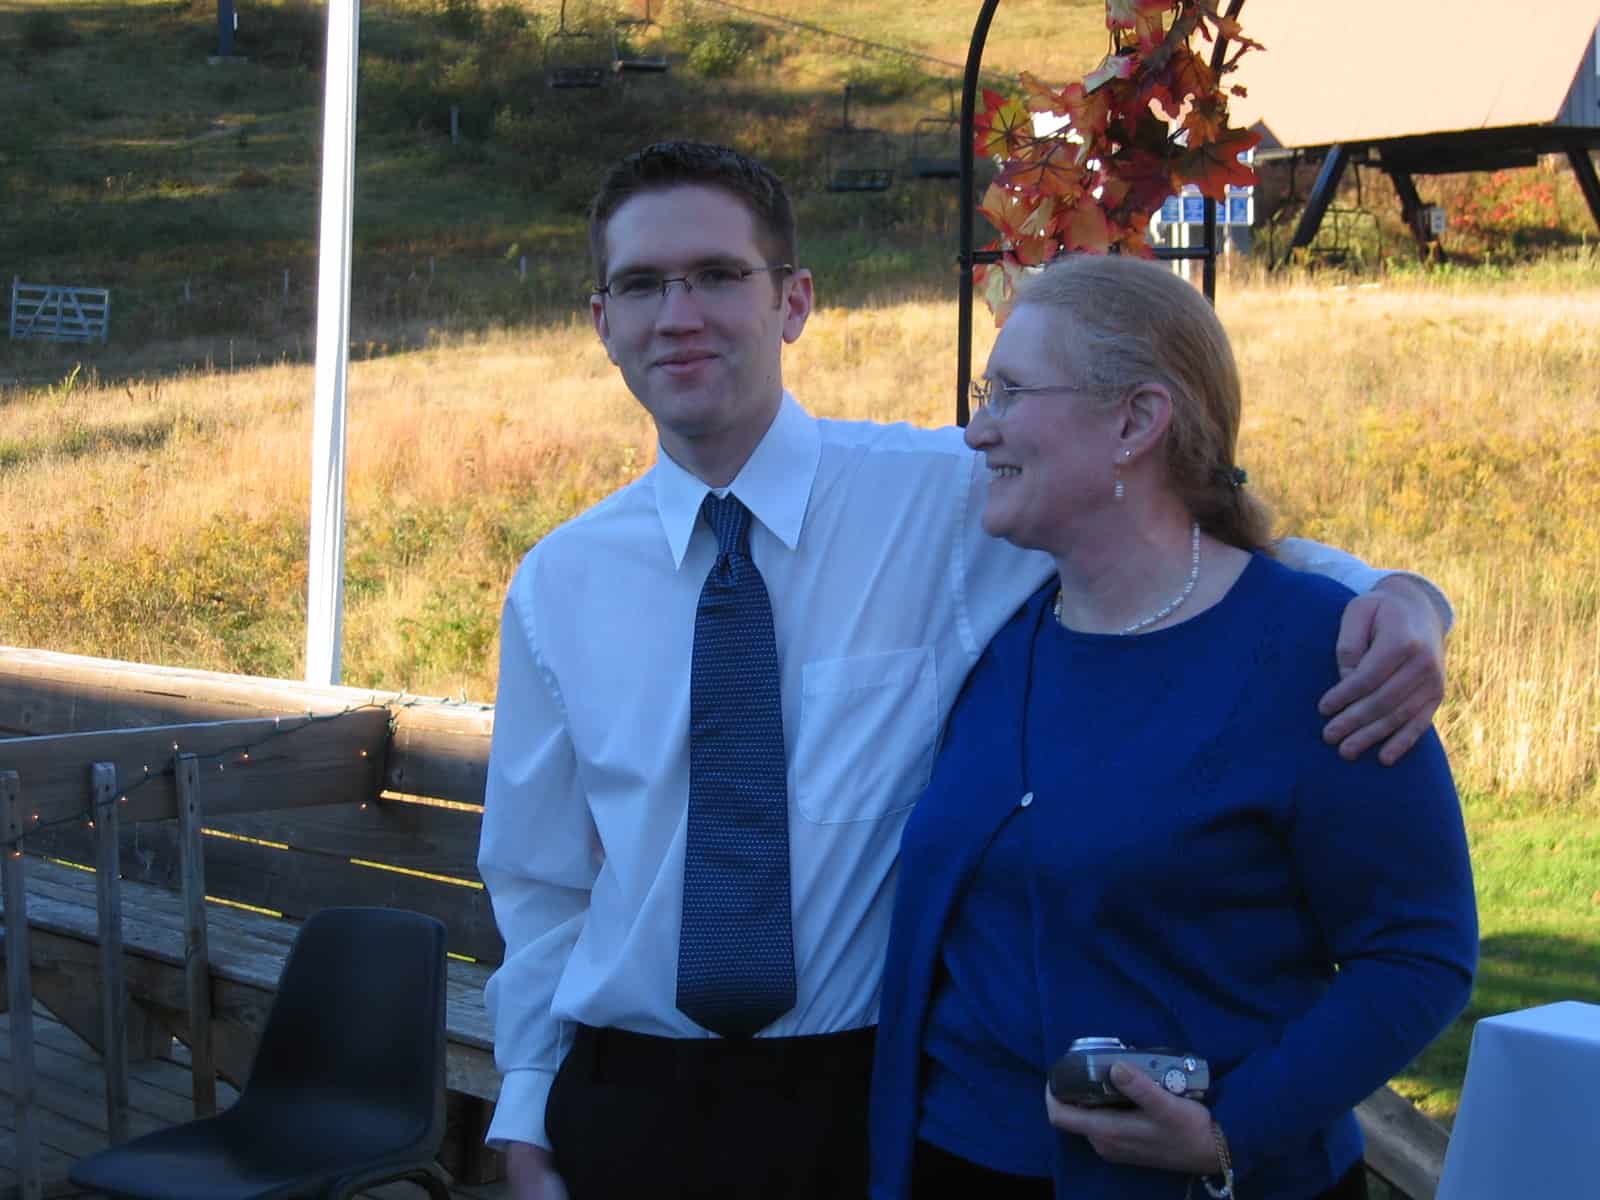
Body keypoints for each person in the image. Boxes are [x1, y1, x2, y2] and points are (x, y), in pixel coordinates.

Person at [477, 141, 1454, 1200]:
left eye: (718, 275)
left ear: (793, 300)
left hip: (855, 1098)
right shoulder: (558, 584)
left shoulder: (950, 497)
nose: (678, 314)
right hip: (629, 1103)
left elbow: (1180, 532)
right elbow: (540, 883)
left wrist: (1400, 597)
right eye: (639, 286)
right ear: (601, 323)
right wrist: (525, 1107)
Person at [867, 254, 1478, 1200]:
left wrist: (1234, 1130)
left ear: (1136, 421)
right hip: (960, 1164)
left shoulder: (1320, 658)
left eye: (1011, 392)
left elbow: (1419, 952)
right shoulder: (1002, 640)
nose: (978, 429)